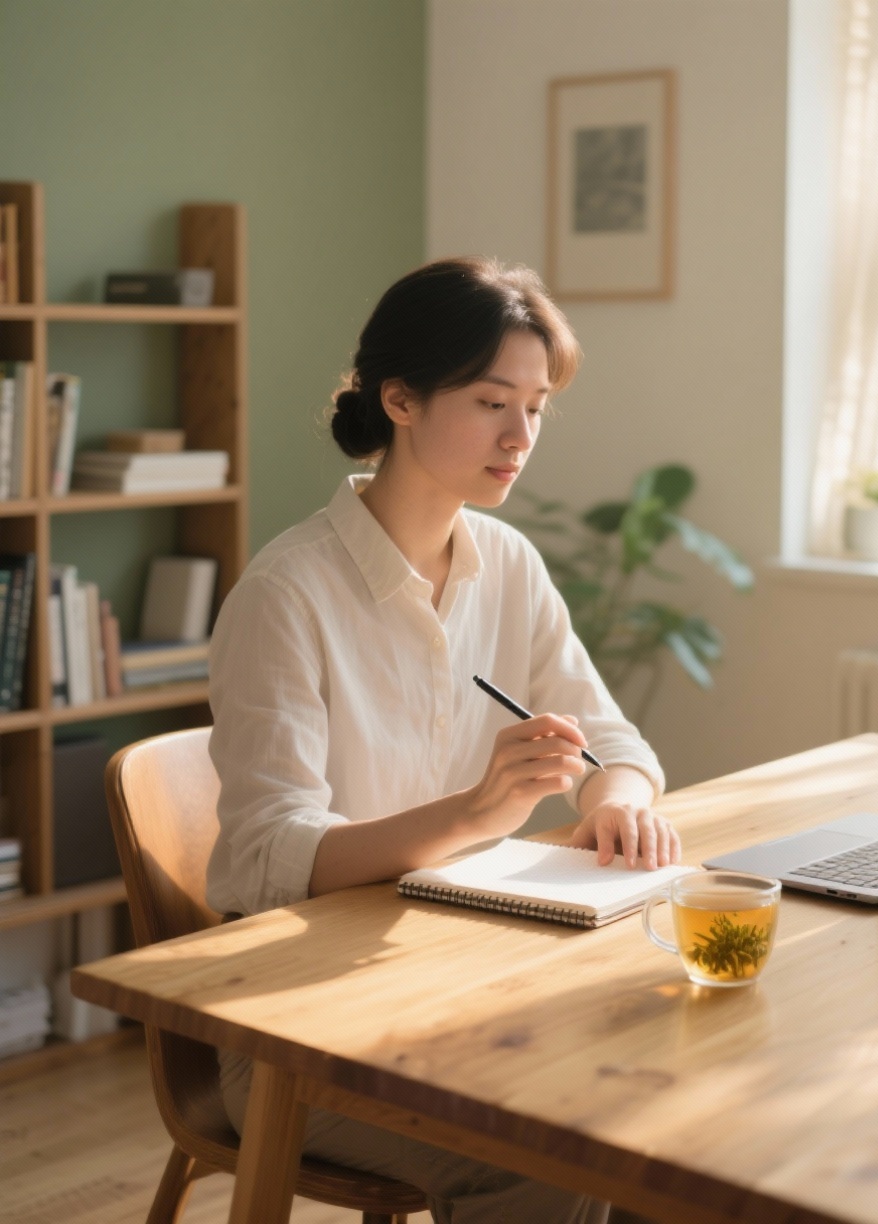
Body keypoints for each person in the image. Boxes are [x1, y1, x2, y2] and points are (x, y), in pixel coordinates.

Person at [205, 255, 680, 1224]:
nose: (522, 437)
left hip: (469, 983)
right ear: (402, 401)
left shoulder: (507, 562)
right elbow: (264, 859)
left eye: (538, 407)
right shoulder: (286, 595)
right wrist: (476, 812)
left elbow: (614, 738)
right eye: (491, 401)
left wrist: (619, 800)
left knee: (671, 1117)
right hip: (297, 1032)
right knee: (561, 1158)